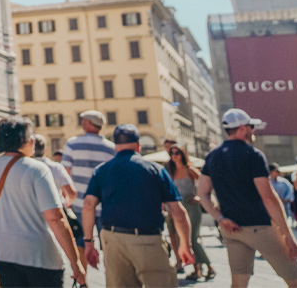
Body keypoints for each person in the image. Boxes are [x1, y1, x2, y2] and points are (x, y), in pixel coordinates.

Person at [197, 109, 297, 288]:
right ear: (241, 128)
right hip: (259, 226)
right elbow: (268, 197)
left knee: (239, 284)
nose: (253, 130)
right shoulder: (252, 154)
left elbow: (202, 193)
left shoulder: (212, 156)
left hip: (231, 228)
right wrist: (288, 235)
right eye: (251, 126)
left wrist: (220, 218)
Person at [82, 124, 193, 287]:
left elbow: (88, 205)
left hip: (113, 241)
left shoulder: (102, 170)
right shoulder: (156, 169)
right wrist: (185, 245)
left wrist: (89, 242)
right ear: (138, 145)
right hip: (148, 240)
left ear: (116, 146)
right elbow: (178, 213)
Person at [0, 118, 84, 288]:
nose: (34, 140)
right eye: (30, 136)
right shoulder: (37, 170)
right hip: (38, 257)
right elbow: (56, 218)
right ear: (23, 140)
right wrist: (75, 261)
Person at [60, 110, 115, 266]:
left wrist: (67, 198)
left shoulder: (73, 144)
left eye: (83, 120)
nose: (82, 123)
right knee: (109, 245)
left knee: (81, 242)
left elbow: (65, 173)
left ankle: (83, 279)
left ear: (88, 124)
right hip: (105, 204)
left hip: (79, 203)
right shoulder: (111, 148)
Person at [164, 143, 213, 281]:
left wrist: (199, 197)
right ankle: (196, 270)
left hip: (192, 207)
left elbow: (207, 185)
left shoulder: (190, 170)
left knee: (192, 239)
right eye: (172, 153)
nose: (174, 156)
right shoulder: (171, 171)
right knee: (183, 239)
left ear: (182, 154)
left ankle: (209, 267)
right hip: (178, 208)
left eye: (177, 153)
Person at [33, 135, 75, 207]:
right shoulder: (56, 167)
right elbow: (72, 193)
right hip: (57, 208)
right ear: (46, 149)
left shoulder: (23, 168)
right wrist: (65, 205)